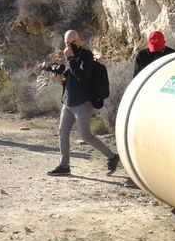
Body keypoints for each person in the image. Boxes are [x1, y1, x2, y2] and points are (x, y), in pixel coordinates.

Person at [45, 29, 119, 178]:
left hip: (83, 103)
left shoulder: (86, 56)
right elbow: (69, 80)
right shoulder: (68, 58)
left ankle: (112, 156)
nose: (71, 45)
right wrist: (60, 81)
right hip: (68, 102)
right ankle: (64, 166)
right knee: (62, 132)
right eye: (67, 43)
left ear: (79, 41)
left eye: (73, 42)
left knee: (86, 135)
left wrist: (71, 59)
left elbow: (82, 76)